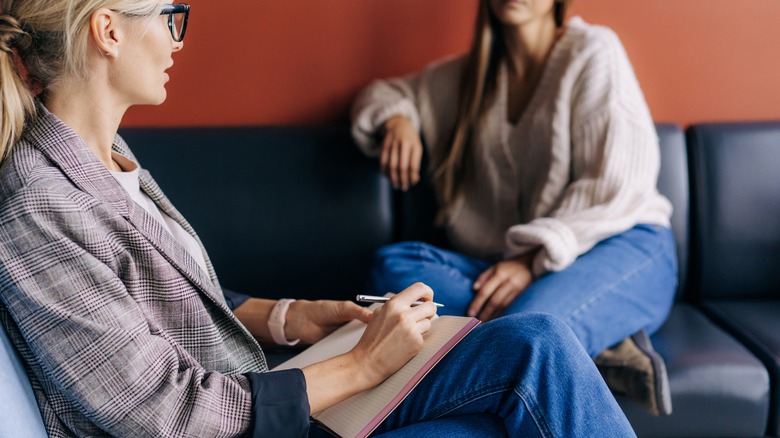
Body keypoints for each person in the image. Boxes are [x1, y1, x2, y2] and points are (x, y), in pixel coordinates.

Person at [0, 1, 638, 437]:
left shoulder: (109, 158)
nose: (176, 37)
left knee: (539, 345)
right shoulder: (38, 206)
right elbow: (168, 415)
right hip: (245, 419)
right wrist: (361, 366)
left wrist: (293, 315)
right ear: (109, 31)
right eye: (173, 16)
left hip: (263, 394)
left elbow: (170, 300)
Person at [351, 0, 677, 416]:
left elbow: (617, 185)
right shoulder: (469, 77)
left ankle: (558, 327)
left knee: (526, 338)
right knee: (392, 270)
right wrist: (397, 119)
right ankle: (599, 345)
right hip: (520, 269)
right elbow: (381, 94)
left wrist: (531, 260)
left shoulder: (593, 51)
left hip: (622, 244)